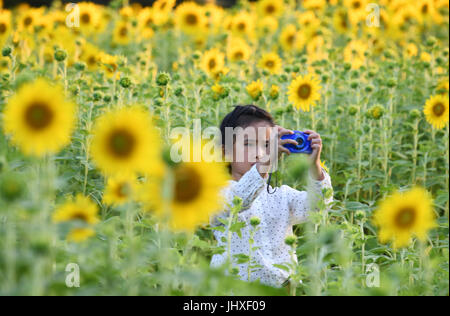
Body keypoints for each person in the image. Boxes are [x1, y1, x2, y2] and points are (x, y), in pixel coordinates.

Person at [209, 104, 333, 291]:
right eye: (248, 143)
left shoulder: (280, 195)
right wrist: (268, 159)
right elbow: (238, 201)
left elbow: (318, 207)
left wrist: (314, 165)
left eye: (266, 145)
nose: (259, 153)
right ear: (225, 152)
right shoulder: (214, 192)